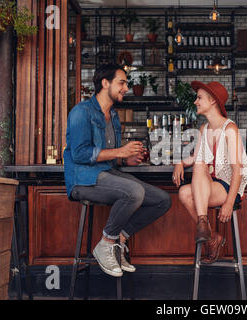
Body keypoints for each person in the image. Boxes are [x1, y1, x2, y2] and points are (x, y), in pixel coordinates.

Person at [63, 64, 172, 277]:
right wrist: (119, 152)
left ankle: (118, 241)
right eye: (121, 83)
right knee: (134, 192)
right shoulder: (81, 112)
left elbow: (111, 156)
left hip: (107, 174)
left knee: (162, 199)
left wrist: (127, 159)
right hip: (83, 179)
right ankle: (105, 243)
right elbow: (80, 154)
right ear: (105, 83)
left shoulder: (112, 116)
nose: (126, 88)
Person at [172, 81, 247, 263]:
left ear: (213, 101)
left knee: (198, 168)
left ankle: (204, 227)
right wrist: (180, 164)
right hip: (213, 184)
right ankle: (212, 235)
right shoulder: (204, 128)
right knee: (184, 193)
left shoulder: (230, 129)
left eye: (199, 98)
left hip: (230, 186)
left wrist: (229, 203)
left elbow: (237, 171)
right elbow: (196, 157)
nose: (195, 102)